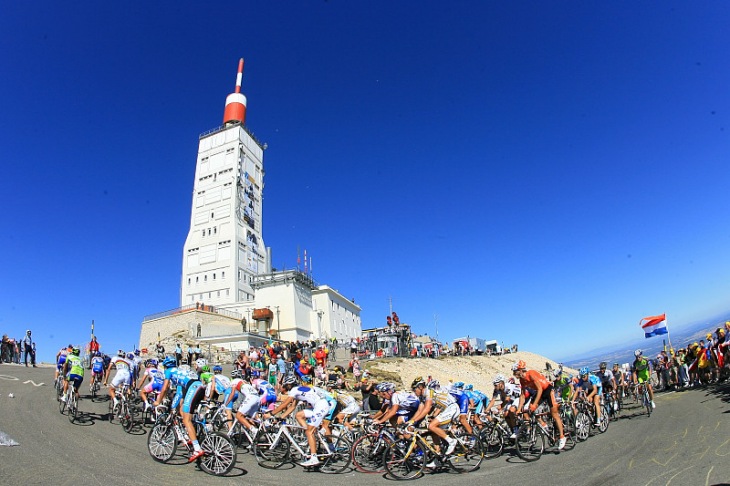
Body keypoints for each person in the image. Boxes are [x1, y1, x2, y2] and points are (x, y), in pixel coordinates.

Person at [264, 376, 331, 468]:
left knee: (309, 432)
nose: (285, 387)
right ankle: (309, 433)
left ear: (289, 385)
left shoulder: (294, 391)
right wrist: (281, 417)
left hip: (321, 406)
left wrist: (271, 414)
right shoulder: (298, 390)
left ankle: (314, 458)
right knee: (299, 415)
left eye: (285, 385)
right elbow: (292, 407)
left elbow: (284, 405)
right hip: (319, 406)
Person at [513, 360, 567, 450]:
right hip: (539, 393)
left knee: (554, 413)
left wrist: (535, 404)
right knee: (531, 410)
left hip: (547, 390)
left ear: (521, 370)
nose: (514, 374)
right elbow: (522, 395)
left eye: (515, 371)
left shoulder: (531, 374)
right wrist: (519, 409)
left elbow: (540, 389)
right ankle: (545, 426)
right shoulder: (522, 380)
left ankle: (562, 437)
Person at [410, 377, 458, 460]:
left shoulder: (428, 392)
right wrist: (410, 421)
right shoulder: (422, 396)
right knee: (432, 431)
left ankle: (452, 441)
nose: (414, 392)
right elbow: (420, 411)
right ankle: (438, 455)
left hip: (451, 408)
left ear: (420, 387)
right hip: (445, 410)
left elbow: (427, 409)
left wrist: (414, 420)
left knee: (431, 426)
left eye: (415, 389)